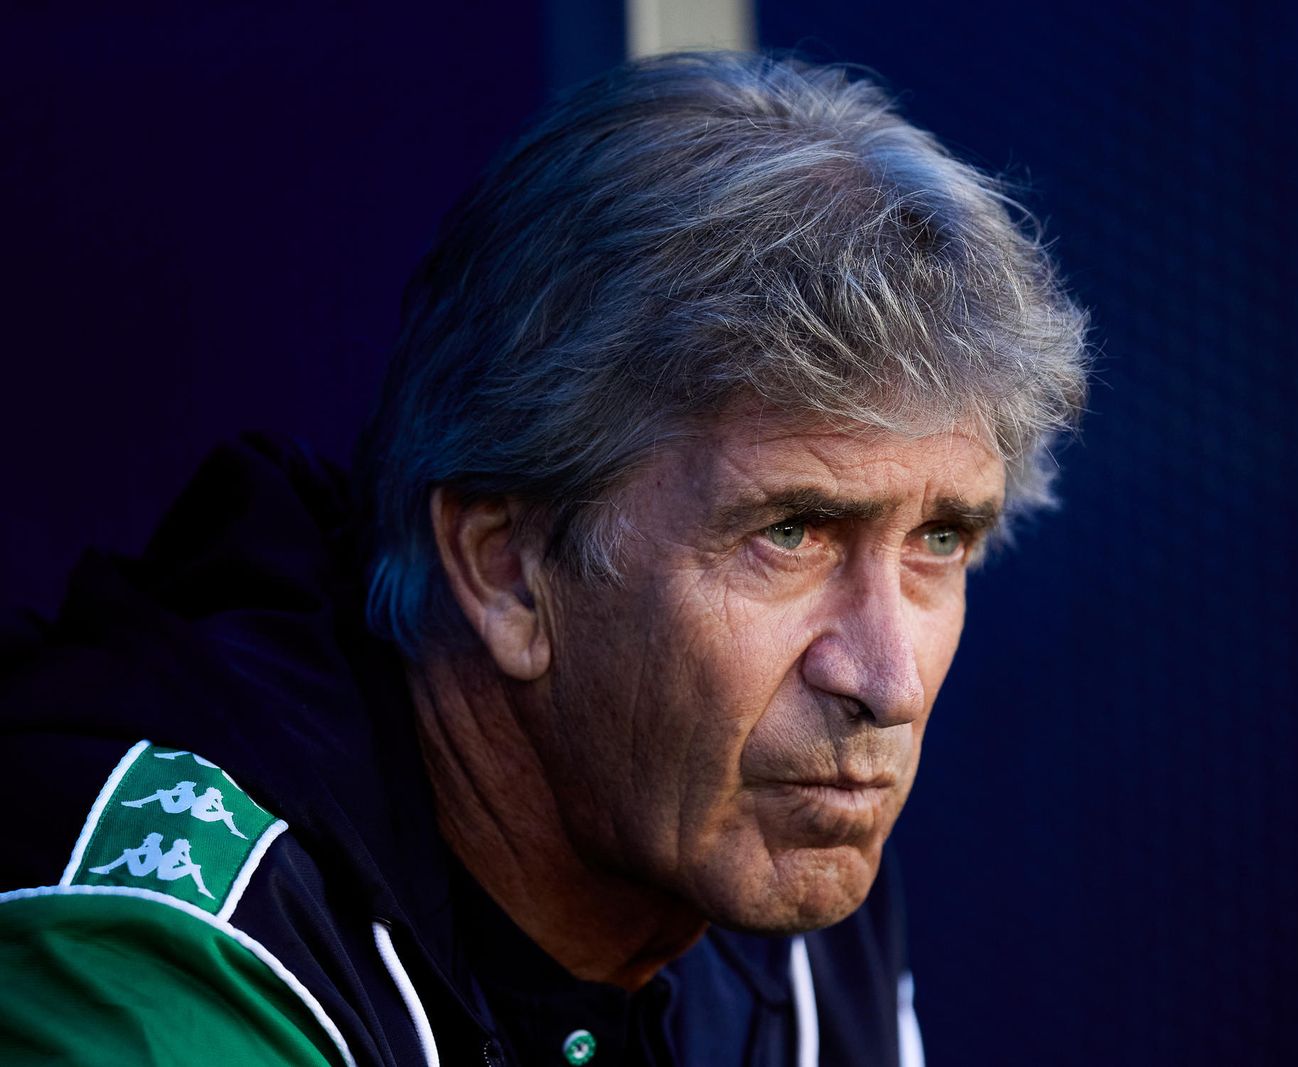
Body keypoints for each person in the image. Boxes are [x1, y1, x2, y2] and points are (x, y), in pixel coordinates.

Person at [0, 51, 1087, 1065]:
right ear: (506, 568)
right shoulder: (163, 942)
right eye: (790, 533)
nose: (885, 681)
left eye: (939, 539)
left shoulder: (772, 832)